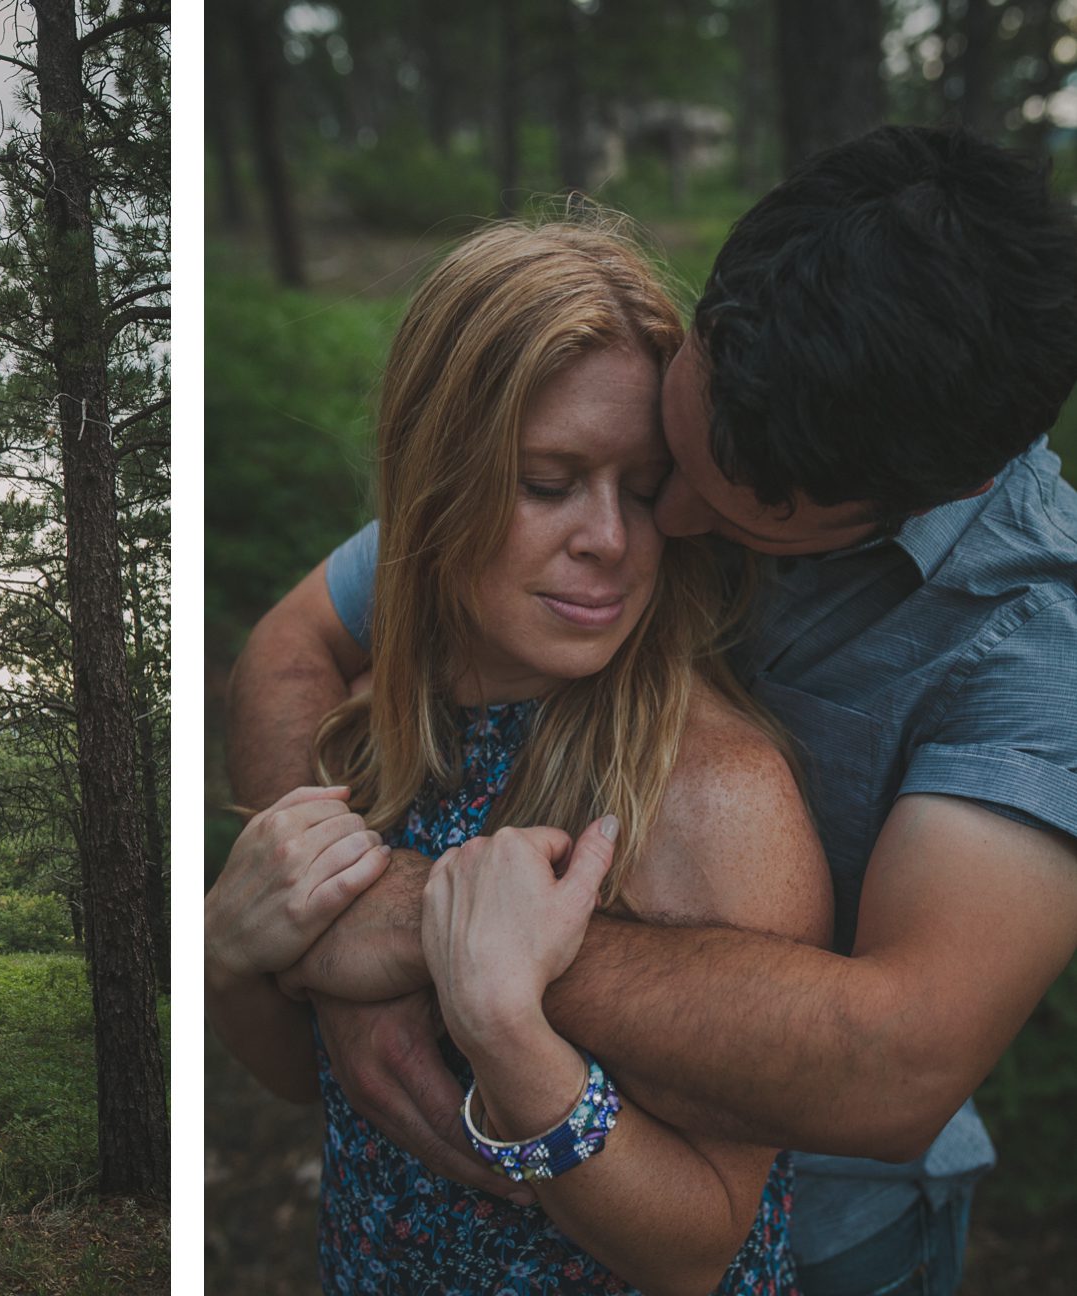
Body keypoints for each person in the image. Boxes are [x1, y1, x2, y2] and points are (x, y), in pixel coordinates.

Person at [223, 125, 1077, 1293]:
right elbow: (297, 641)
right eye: (675, 435)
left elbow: (894, 1065)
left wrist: (420, 928)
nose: (655, 530)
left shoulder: (1032, 651)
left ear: (908, 499)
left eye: (730, 514)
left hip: (836, 1233)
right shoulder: (626, 434)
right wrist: (300, 912)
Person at [209, 217, 833, 1292]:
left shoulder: (707, 794)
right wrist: (230, 960)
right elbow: (306, 1088)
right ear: (433, 480)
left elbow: (702, 1246)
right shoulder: (369, 730)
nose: (612, 538)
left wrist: (511, 1039)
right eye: (550, 482)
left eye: (644, 490)